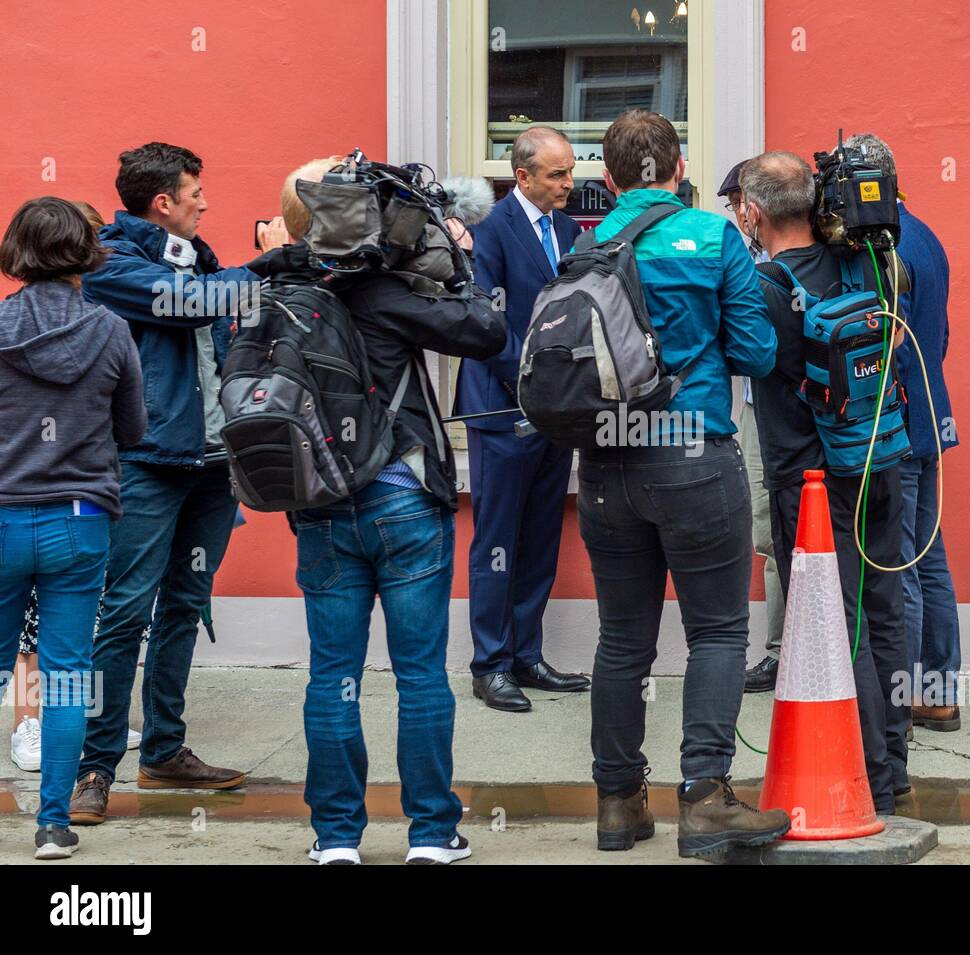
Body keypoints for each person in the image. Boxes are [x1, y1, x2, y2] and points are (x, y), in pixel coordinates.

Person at [269, 158, 505, 864]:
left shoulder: (280, 288)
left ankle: (335, 837)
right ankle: (432, 834)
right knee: (421, 673)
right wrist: (458, 260)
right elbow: (485, 332)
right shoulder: (386, 293)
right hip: (402, 495)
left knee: (331, 673)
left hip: (319, 499)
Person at [579, 109, 789, 857]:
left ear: (608, 179)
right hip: (695, 454)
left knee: (621, 639)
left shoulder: (588, 243)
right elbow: (757, 353)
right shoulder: (714, 236)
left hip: (605, 462)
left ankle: (617, 802)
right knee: (719, 630)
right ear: (678, 168)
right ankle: (704, 798)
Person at [69, 143, 290, 825]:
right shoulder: (112, 262)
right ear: (161, 201)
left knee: (184, 607)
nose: (206, 202)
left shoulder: (196, 257)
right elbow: (188, 305)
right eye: (195, 191)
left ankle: (163, 747)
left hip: (212, 464)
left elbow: (225, 321)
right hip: (146, 462)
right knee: (126, 611)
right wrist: (279, 257)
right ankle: (94, 767)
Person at [743, 150, 913, 812]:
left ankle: (867, 775)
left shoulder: (763, 287)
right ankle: (894, 766)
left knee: (838, 624)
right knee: (886, 608)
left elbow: (751, 357)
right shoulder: (866, 260)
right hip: (880, 457)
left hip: (808, 482)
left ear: (754, 213)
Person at [0, 196, 147, 858]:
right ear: (85, 253)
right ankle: (53, 823)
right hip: (80, 520)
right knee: (63, 676)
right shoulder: (111, 329)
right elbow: (134, 430)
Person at [454, 126, 590, 712]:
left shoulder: (569, 230)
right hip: (503, 408)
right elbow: (484, 323)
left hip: (557, 412)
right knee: (496, 540)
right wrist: (536, 382)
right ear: (525, 175)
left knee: (539, 538)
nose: (569, 184)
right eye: (558, 175)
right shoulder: (489, 231)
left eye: (570, 173)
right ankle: (490, 663)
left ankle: (527, 655)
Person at [846, 133, 962, 730]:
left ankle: (906, 697)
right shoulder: (926, 234)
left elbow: (879, 342)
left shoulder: (882, 244)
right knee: (930, 558)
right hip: (931, 411)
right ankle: (939, 691)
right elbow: (938, 334)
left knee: (901, 566)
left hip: (898, 420)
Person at [717, 160, 786, 694]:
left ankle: (784, 653)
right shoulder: (735, 256)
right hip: (749, 407)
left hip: (777, 409)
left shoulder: (781, 257)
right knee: (766, 531)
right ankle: (781, 651)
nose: (738, 212)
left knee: (775, 527)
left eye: (740, 200)